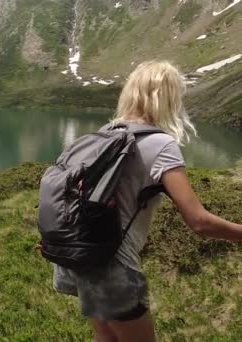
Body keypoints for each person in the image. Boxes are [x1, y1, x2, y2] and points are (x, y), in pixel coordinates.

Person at [52, 61, 242, 342]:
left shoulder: (102, 134)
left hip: (74, 256)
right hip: (111, 265)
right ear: (167, 98)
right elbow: (199, 221)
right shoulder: (161, 145)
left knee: (107, 338)